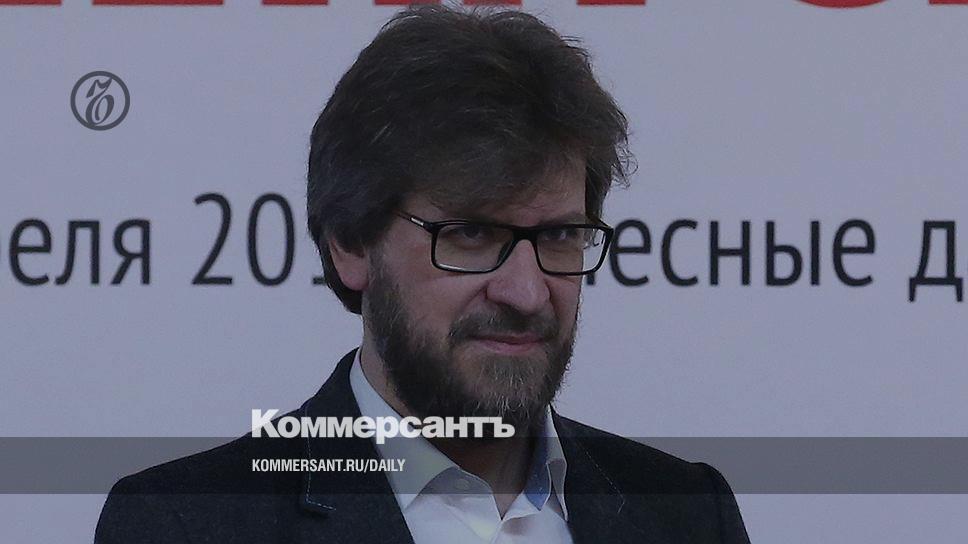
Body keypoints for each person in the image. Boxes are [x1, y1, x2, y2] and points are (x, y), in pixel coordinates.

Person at [95, 5, 750, 543]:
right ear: (352, 243)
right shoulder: (186, 523)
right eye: (471, 234)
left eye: (559, 236)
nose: (526, 292)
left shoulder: (688, 513)